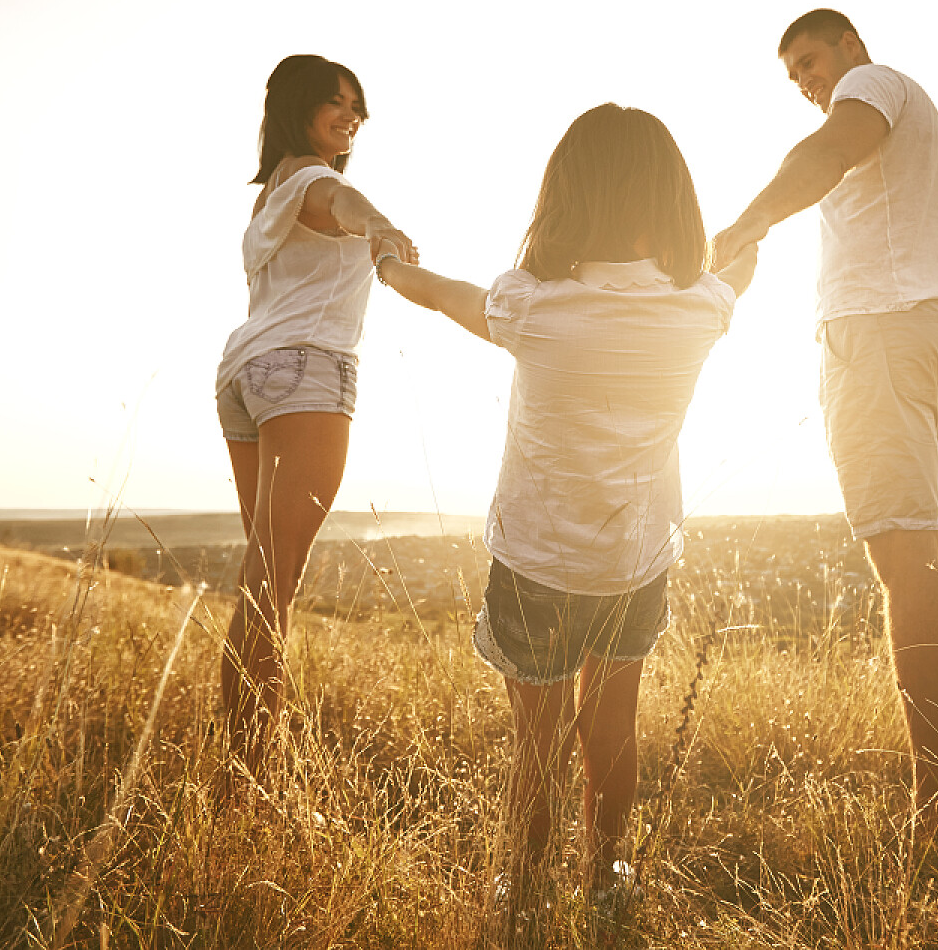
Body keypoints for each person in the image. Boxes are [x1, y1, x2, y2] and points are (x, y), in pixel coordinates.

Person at [377, 103, 757, 940]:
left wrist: (392, 269)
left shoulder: (531, 305)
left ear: (565, 198)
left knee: (538, 745)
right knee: (613, 727)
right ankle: (607, 872)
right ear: (672, 201)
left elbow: (443, 296)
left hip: (537, 561)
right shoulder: (702, 308)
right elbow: (743, 265)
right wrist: (731, 244)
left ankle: (520, 891)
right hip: (636, 560)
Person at [711, 9, 938, 859]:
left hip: (881, 335)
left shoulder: (871, 87)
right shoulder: (914, 113)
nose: (806, 80)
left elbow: (825, 153)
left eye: (811, 60)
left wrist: (746, 222)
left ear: (851, 47)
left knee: (905, 564)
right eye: (793, 74)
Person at [214, 54, 417, 786]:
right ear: (297, 106)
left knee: (264, 577)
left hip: (245, 376)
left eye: (356, 105)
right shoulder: (317, 182)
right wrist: (385, 228)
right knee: (273, 583)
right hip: (303, 373)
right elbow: (348, 209)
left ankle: (247, 755)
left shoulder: (272, 190)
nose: (350, 115)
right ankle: (247, 771)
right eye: (335, 101)